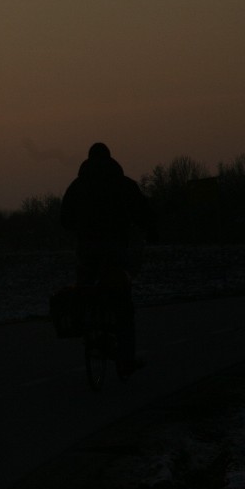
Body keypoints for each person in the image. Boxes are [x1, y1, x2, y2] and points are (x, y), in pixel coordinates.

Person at [60, 142, 155, 377]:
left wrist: (79, 229)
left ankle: (90, 330)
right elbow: (142, 213)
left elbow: (65, 219)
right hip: (115, 249)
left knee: (86, 289)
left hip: (87, 251)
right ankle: (126, 359)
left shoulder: (78, 186)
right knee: (123, 305)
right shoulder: (123, 184)